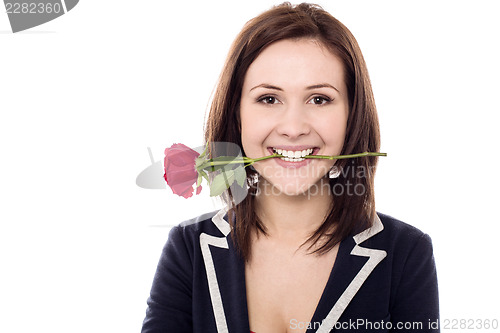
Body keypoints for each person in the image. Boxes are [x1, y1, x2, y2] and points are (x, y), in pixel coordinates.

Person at [141, 2, 439, 332]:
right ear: (236, 112)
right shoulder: (189, 249)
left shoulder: (406, 254)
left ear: (351, 113)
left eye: (319, 99)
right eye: (269, 99)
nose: (293, 127)